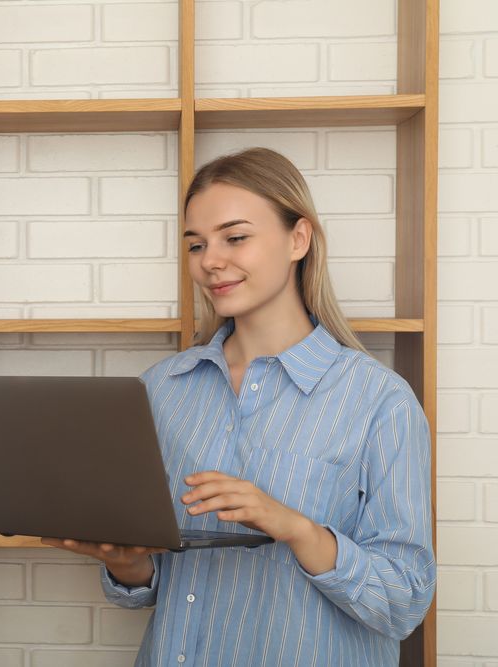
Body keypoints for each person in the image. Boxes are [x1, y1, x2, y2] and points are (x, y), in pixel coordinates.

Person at [41, 147, 435, 666]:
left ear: (299, 239)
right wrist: (129, 565)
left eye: (236, 237)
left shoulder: (378, 400)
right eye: (196, 244)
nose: (210, 261)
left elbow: (404, 602)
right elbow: (154, 585)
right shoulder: (160, 390)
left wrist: (296, 528)